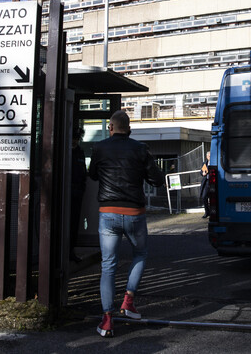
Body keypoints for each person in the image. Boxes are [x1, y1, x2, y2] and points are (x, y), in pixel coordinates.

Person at [89, 110, 165, 338]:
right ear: (129, 128)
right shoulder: (140, 149)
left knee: (108, 265)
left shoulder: (100, 148)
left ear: (111, 128)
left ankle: (107, 320)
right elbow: (158, 180)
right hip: (134, 212)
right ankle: (128, 302)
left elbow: (92, 175)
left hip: (108, 213)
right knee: (140, 254)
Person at [70, 125, 87, 263]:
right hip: (68, 191)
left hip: (77, 192)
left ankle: (71, 250)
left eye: (76, 138)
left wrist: (82, 188)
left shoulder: (80, 152)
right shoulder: (64, 151)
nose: (74, 141)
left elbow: (83, 172)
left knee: (74, 223)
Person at [199, 151, 211, 219]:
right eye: (209, 156)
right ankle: (207, 212)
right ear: (207, 157)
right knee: (204, 197)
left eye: (211, 156)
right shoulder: (205, 163)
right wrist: (202, 173)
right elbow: (201, 171)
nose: (210, 157)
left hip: (213, 182)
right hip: (206, 182)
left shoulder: (214, 163)